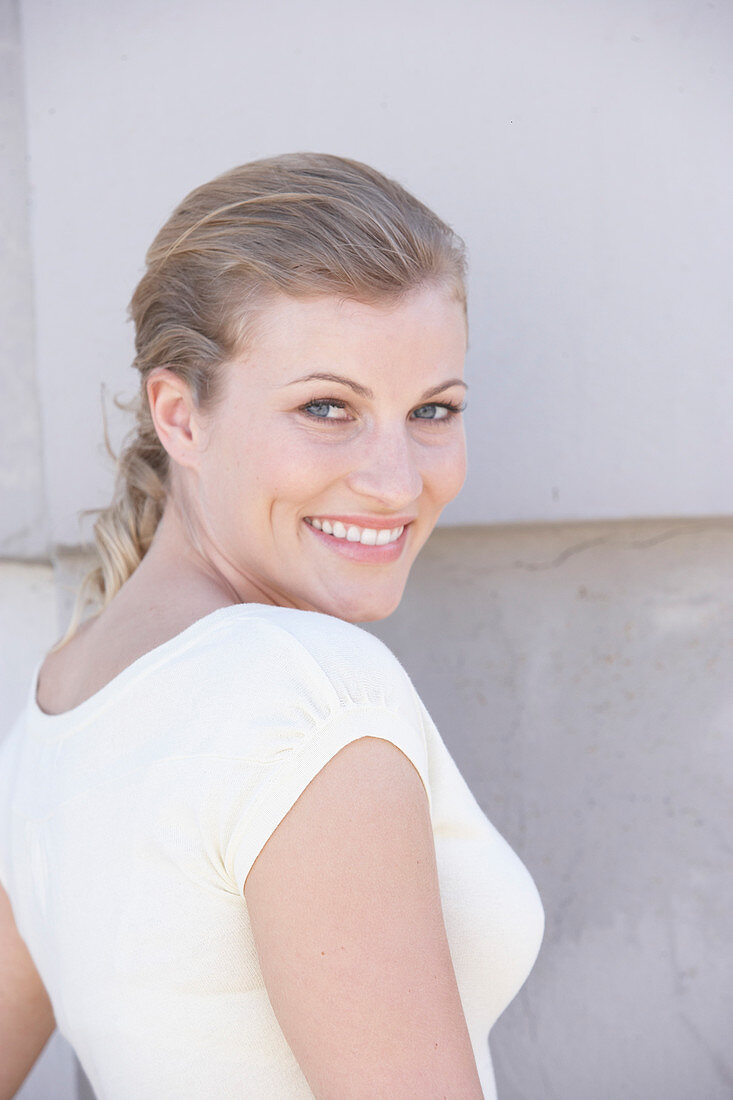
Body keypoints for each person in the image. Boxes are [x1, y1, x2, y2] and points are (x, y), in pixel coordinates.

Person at [0, 153, 544, 1099]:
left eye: (432, 410)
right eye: (326, 407)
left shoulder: (67, 690)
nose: (396, 479)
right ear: (181, 415)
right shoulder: (307, 692)